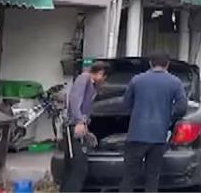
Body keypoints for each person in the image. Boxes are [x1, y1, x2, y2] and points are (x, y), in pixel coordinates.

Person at [119, 53, 187, 193]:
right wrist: (169, 118)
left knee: (129, 177)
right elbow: (182, 107)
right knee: (152, 177)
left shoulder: (136, 80)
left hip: (136, 135)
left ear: (150, 63)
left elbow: (125, 104)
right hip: (159, 136)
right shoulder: (175, 82)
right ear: (167, 64)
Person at [61, 61, 110, 192]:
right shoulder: (84, 79)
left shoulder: (89, 82)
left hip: (78, 126)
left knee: (72, 169)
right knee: (79, 169)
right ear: (100, 73)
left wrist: (86, 128)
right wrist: (79, 122)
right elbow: (75, 100)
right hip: (73, 127)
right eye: (104, 78)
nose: (103, 81)